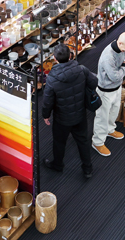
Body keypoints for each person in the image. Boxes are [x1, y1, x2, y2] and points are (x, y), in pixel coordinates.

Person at [42, 45, 98, 179]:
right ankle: (88, 169)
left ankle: (57, 165)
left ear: (54, 58)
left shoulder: (52, 78)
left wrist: (46, 115)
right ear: (70, 56)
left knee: (59, 142)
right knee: (83, 141)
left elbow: (47, 100)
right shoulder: (82, 69)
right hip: (80, 114)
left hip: (62, 118)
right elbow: (94, 82)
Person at [92, 32, 125, 157]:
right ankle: (97, 142)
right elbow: (114, 77)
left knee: (114, 112)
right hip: (105, 91)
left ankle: (110, 129)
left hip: (117, 87)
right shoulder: (108, 56)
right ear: (120, 43)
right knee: (102, 117)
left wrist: (122, 68)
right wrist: (124, 68)